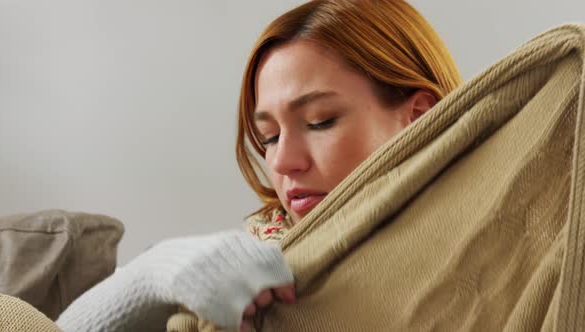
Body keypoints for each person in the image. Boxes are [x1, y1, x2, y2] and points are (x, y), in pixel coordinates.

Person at [55, 0, 462, 331]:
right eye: (269, 137)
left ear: (419, 116)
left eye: (320, 121)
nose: (283, 161)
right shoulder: (250, 260)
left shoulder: (484, 243)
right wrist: (155, 270)